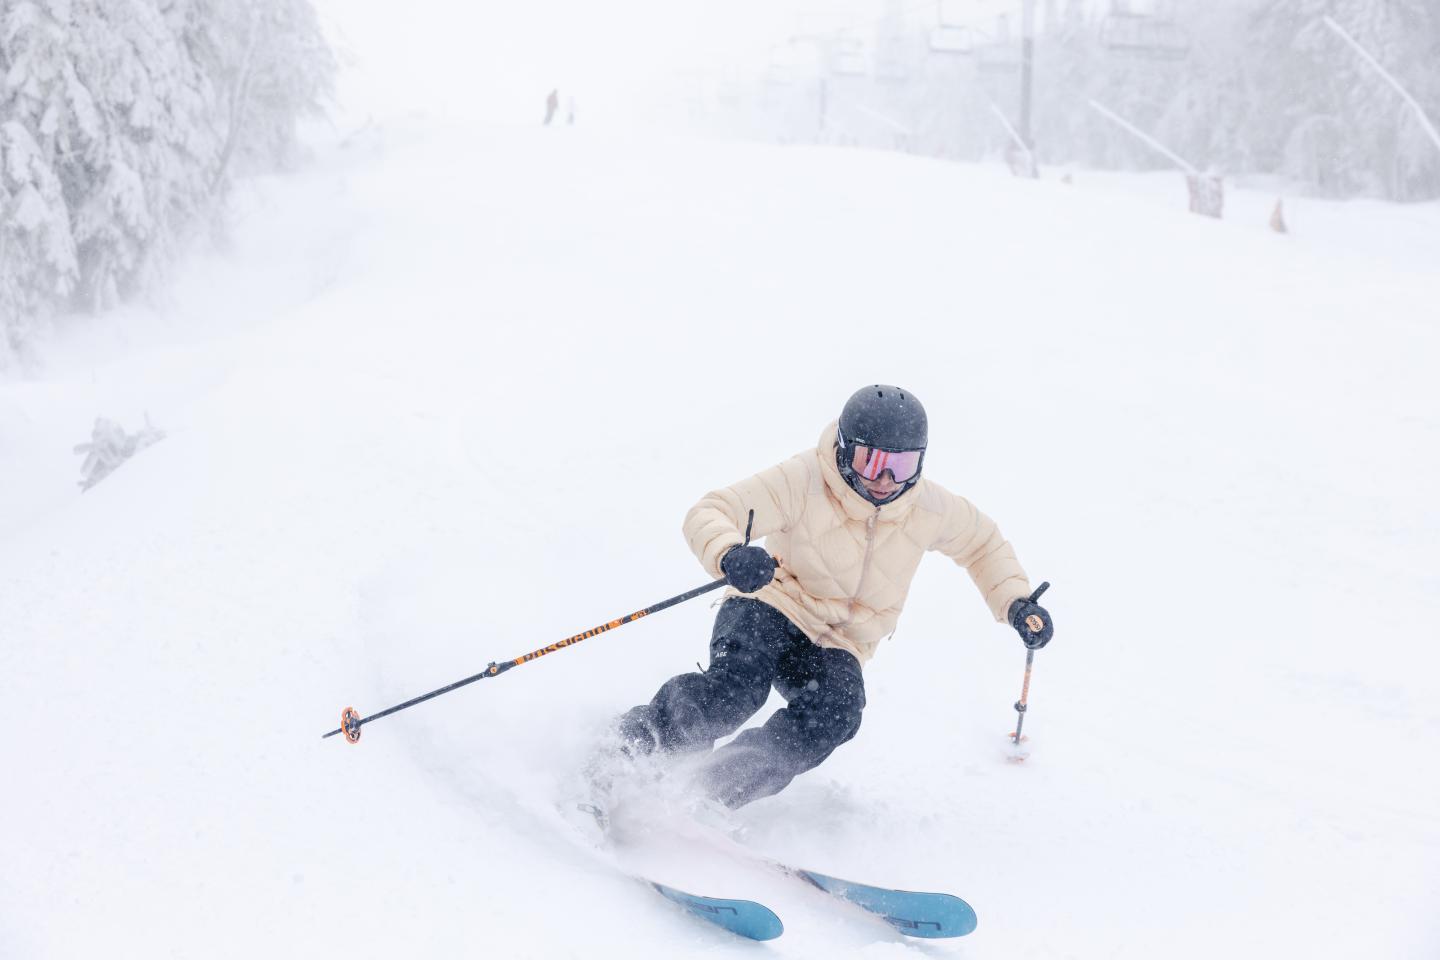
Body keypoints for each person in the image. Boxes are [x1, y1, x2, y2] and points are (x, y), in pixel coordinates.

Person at [609, 385, 1053, 810]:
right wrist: (731, 554)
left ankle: (709, 791)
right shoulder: (803, 479)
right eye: (870, 460)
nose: (883, 479)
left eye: (900, 466)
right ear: (843, 448)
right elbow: (711, 510)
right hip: (772, 606)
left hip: (839, 643)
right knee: (735, 691)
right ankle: (627, 752)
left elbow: (982, 545)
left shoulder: (930, 507)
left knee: (836, 713)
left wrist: (1016, 602)